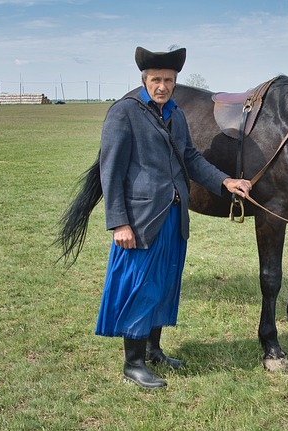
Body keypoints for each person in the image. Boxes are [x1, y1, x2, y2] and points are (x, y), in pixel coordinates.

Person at [95, 46, 252, 389]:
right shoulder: (125, 113)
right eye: (156, 80)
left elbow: (191, 159)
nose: (162, 86)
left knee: (164, 283)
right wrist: (118, 222)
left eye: (168, 80)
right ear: (144, 80)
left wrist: (225, 181)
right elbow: (111, 172)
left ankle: (153, 349)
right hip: (140, 218)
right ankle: (132, 362)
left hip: (174, 214)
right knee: (140, 286)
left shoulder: (176, 115)